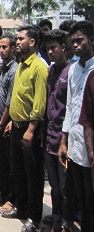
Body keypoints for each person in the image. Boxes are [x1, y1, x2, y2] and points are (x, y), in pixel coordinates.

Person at [2, 26, 48, 232]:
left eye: (21, 39)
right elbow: (16, 98)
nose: (17, 42)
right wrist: (11, 119)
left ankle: (34, 217)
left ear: (32, 42)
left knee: (33, 176)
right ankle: (20, 208)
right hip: (16, 126)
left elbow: (39, 103)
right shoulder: (21, 65)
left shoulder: (39, 67)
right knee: (18, 172)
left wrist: (31, 129)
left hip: (31, 129)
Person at [60, 21, 94, 232]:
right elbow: (71, 107)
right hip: (75, 144)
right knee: (81, 198)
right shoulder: (74, 69)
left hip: (91, 146)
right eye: (73, 42)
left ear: (92, 40)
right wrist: (64, 141)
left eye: (80, 40)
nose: (76, 45)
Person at [40, 29, 75, 231]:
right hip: (49, 137)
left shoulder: (71, 71)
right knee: (53, 186)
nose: (51, 52)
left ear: (63, 47)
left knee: (65, 187)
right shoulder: (51, 71)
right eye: (48, 49)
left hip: (64, 139)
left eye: (54, 48)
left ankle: (66, 222)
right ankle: (55, 217)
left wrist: (64, 140)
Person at [0, 34, 18, 208]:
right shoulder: (4, 68)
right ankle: (3, 193)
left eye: (5, 47)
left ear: (13, 49)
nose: (1, 50)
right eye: (0, 47)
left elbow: (10, 102)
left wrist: (1, 123)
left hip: (5, 125)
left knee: (9, 165)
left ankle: (11, 198)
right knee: (1, 163)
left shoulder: (14, 69)